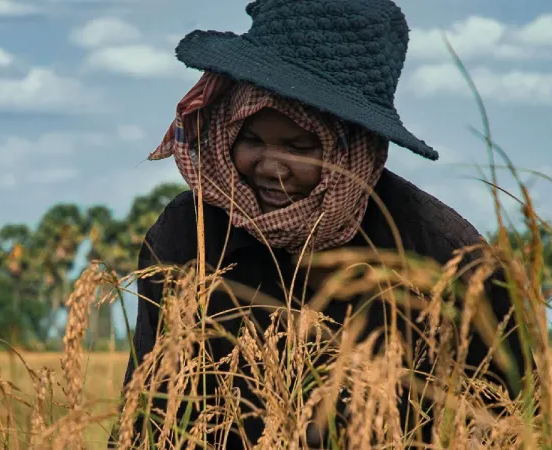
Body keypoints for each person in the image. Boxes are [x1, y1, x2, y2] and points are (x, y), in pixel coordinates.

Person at [116, 0, 529, 447]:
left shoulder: (444, 256)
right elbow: (147, 414)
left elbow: (511, 420)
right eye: (250, 138)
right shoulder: (189, 233)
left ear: (350, 149)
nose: (272, 167)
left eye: (299, 147)